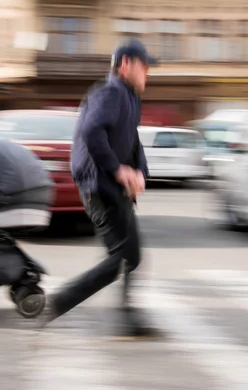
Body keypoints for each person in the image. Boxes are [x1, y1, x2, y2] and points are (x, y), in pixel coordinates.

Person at [38, 38, 162, 337]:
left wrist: (139, 173)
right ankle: (54, 305)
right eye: (144, 66)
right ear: (125, 65)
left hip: (114, 188)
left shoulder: (129, 97)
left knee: (131, 256)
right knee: (118, 260)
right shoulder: (109, 92)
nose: (147, 72)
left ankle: (130, 320)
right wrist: (118, 170)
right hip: (98, 187)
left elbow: (132, 142)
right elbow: (93, 132)